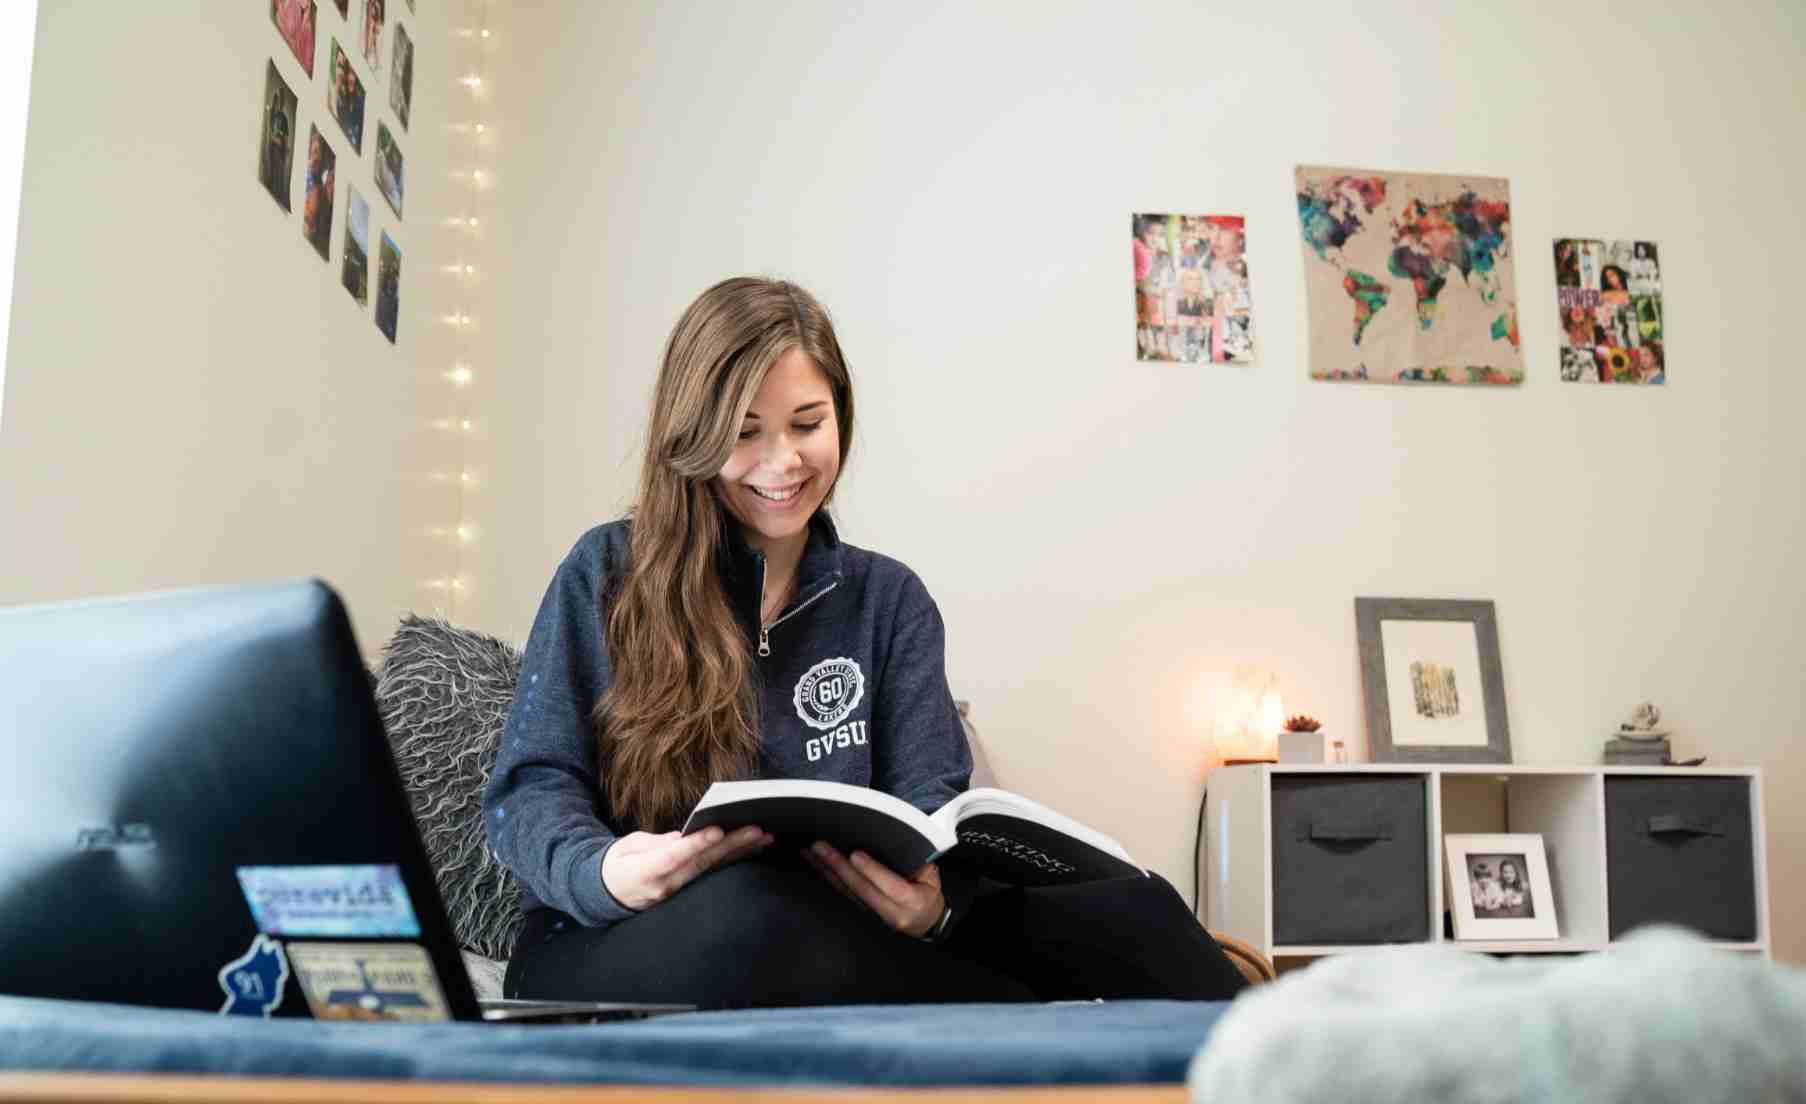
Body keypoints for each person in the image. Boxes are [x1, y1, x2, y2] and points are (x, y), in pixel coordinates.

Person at [483, 278, 1250, 1009]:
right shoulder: (605, 570)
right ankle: (1005, 1008)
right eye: (744, 433)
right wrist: (604, 869)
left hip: (844, 929)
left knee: (1146, 911)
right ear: (693, 435)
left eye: (808, 424)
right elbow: (531, 785)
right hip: (619, 929)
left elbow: (931, 802)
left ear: (841, 416)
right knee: (753, 910)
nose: (783, 462)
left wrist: (932, 903)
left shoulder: (890, 601)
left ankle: (1271, 1058)